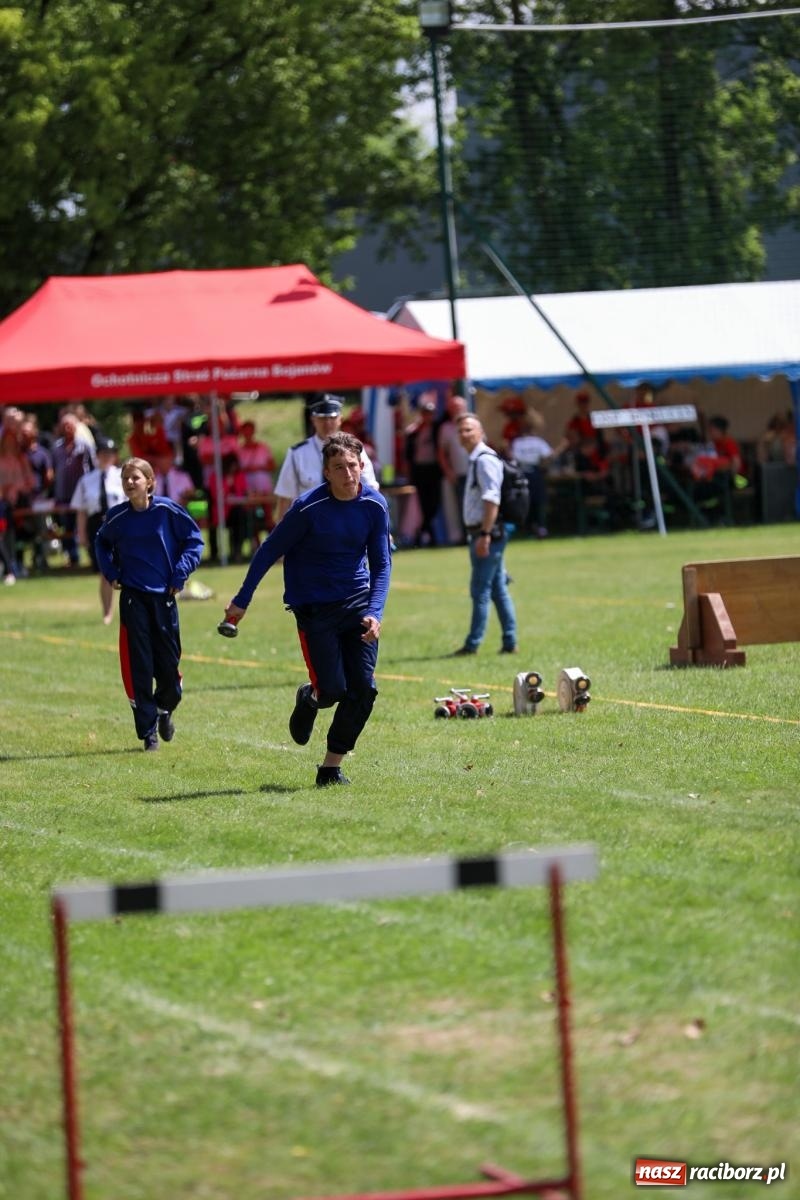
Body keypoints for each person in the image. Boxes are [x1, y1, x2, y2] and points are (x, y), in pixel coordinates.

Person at [222, 432, 391, 788]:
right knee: (331, 690)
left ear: (362, 466)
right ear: (325, 473)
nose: (348, 473)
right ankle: (311, 696)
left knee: (364, 690)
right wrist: (242, 600)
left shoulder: (374, 505)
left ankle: (331, 767)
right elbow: (268, 551)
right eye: (338, 468)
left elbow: (381, 563)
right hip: (314, 607)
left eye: (352, 466)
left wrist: (376, 611)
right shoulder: (307, 508)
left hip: (357, 602)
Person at [95, 457, 204, 751]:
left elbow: (194, 540)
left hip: (164, 598)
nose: (130, 482)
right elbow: (101, 543)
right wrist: (112, 572)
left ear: (150, 482)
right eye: (126, 478)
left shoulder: (168, 511)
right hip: (132, 598)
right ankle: (148, 732)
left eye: (136, 478)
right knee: (138, 665)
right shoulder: (117, 517)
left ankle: (164, 708)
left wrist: (180, 572)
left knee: (169, 668)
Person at [450, 414, 518, 657]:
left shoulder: (484, 460)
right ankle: (510, 642)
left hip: (486, 533)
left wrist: (485, 534)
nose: (464, 434)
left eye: (469, 429)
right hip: (483, 532)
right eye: (460, 431)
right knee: (498, 589)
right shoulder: (476, 459)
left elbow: (492, 499)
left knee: (480, 590)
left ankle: (472, 644)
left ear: (480, 432)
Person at [272, 394, 378, 522]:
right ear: (313, 419)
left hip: (349, 522)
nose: (327, 423)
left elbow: (371, 491)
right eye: (322, 418)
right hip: (310, 526)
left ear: (340, 419)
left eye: (332, 417)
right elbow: (285, 498)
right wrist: (280, 537)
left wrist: (380, 528)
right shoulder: (297, 454)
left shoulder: (355, 450)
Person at [70, 439, 125, 623]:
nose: (106, 457)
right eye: (103, 453)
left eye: (110, 453)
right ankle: (107, 612)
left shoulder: (122, 477)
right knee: (105, 571)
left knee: (125, 569)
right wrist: (82, 534)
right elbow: (81, 510)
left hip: (119, 524)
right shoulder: (87, 479)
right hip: (97, 526)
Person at [404, 393, 443, 546]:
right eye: (426, 413)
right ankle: (428, 536)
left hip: (434, 469)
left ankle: (421, 533)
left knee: (434, 504)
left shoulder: (437, 428)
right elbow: (408, 454)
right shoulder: (414, 432)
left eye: (430, 413)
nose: (428, 416)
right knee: (424, 503)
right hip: (420, 470)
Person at [435, 393, 470, 544]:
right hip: (458, 474)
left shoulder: (473, 424)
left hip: (473, 472)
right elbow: (441, 453)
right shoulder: (446, 428)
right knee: (461, 506)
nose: (457, 410)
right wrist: (448, 471)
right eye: (454, 407)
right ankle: (463, 536)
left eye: (459, 407)